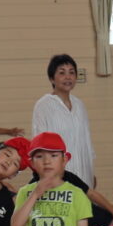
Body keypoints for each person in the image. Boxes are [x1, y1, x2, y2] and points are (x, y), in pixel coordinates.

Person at [12, 132, 93, 226]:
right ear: (32, 163)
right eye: (39, 156)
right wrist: (35, 194)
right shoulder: (25, 192)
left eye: (53, 155)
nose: (47, 161)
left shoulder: (77, 194)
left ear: (64, 160)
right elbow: (16, 225)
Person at [31, 53, 97, 192]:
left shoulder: (80, 105)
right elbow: (39, 143)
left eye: (72, 73)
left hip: (84, 173)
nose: (68, 77)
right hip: (58, 177)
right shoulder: (43, 105)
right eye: (62, 73)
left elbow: (87, 141)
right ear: (51, 78)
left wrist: (91, 172)